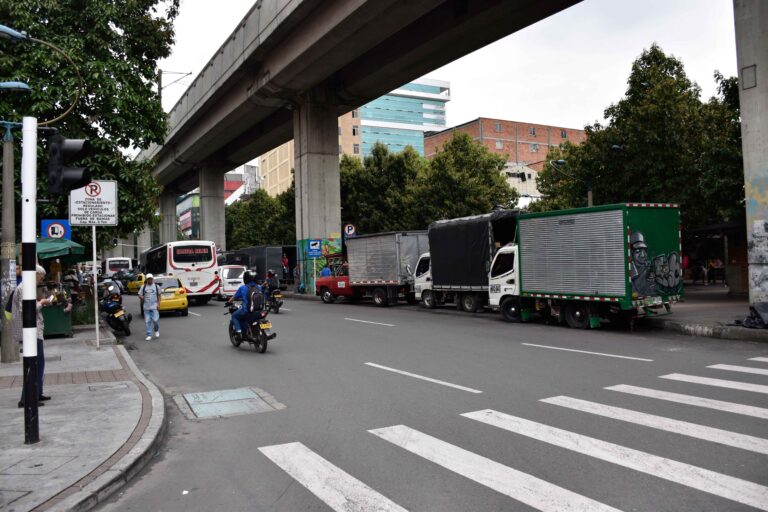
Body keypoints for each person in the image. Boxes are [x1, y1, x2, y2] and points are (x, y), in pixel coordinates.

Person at [13, 265, 53, 408]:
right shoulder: (25, 287)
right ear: (35, 274)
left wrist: (41, 303)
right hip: (31, 331)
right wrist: (41, 303)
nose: (40, 280)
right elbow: (27, 309)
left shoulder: (26, 287)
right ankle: (27, 398)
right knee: (33, 364)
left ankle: (36, 392)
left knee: (39, 363)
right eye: (40, 277)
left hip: (34, 330)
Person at [227, 271, 256, 339]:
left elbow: (234, 297)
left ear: (245, 279)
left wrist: (228, 302)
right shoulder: (258, 287)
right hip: (258, 310)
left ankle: (239, 332)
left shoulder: (243, 288)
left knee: (234, 316)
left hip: (247, 310)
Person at [138, 273, 162, 341]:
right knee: (147, 321)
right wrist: (141, 297)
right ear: (147, 279)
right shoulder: (144, 286)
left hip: (154, 306)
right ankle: (149, 335)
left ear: (153, 279)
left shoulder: (157, 286)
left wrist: (158, 304)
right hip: (146, 307)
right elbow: (139, 294)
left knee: (155, 320)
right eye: (148, 279)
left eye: (151, 278)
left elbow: (159, 296)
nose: (150, 280)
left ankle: (156, 330)